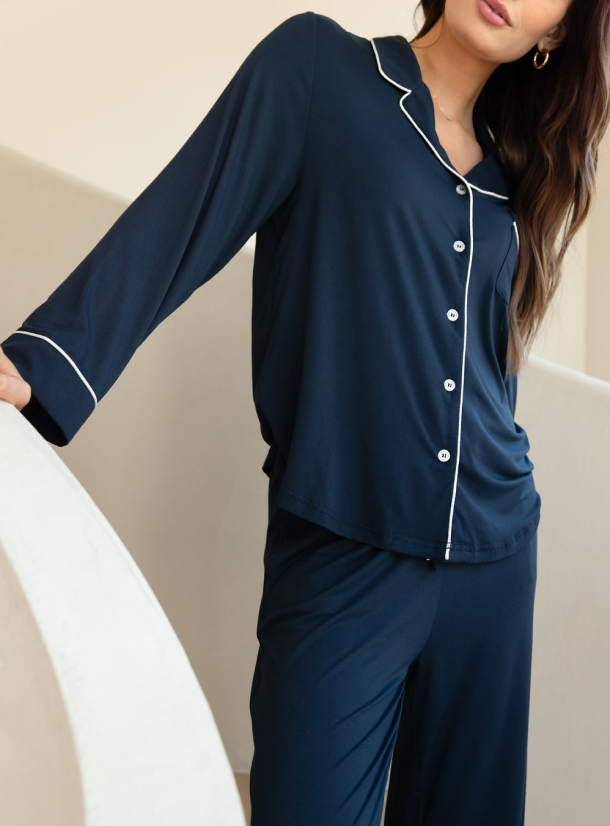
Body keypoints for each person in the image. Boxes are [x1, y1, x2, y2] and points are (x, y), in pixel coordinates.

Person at [0, 1, 605, 823]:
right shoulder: (319, 70)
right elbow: (183, 215)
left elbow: (477, 365)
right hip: (341, 553)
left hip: (494, 563)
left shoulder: (517, 168)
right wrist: (40, 364)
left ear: (558, 33)